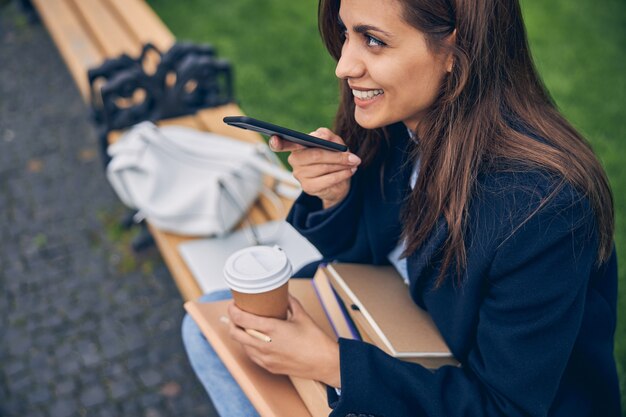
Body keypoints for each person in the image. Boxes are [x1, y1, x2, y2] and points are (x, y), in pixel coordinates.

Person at [182, 0, 620, 415]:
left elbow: (505, 407)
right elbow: (368, 260)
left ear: (456, 49)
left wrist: (329, 363)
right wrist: (335, 196)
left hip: (469, 391)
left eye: (373, 40)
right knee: (212, 327)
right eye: (345, 32)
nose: (344, 65)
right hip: (400, 330)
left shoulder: (543, 211)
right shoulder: (399, 122)